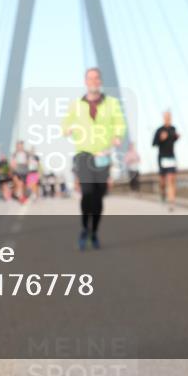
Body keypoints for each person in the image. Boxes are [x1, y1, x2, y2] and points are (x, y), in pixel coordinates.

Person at [62, 67, 126, 250]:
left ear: (100, 81)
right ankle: (84, 228)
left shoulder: (112, 103)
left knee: (98, 197)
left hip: (103, 154)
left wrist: (117, 136)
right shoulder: (76, 104)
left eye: (96, 78)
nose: (93, 81)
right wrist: (67, 129)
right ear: (85, 82)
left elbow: (120, 123)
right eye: (90, 78)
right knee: (87, 192)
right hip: (83, 154)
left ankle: (94, 231)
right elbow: (65, 124)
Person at [152, 111, 180, 211]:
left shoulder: (173, 129)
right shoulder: (159, 130)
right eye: (166, 117)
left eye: (169, 116)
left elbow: (175, 139)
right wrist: (161, 138)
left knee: (171, 179)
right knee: (163, 181)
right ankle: (162, 193)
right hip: (162, 158)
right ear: (163, 118)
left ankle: (171, 202)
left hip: (171, 157)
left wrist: (177, 137)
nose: (168, 118)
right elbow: (154, 143)